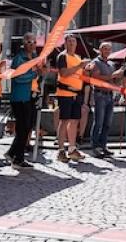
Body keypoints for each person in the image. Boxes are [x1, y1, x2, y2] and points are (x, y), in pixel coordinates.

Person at [7, 33, 41, 169]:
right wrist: (35, 74)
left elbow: (36, 78)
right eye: (28, 42)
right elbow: (17, 78)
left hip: (30, 96)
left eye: (33, 42)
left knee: (27, 127)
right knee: (23, 128)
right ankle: (18, 159)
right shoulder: (19, 58)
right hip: (20, 97)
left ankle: (12, 153)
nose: (31, 44)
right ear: (23, 43)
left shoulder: (33, 58)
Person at [55, 34, 88, 163]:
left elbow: (78, 74)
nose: (71, 44)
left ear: (76, 44)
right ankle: (61, 150)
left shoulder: (78, 57)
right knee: (64, 121)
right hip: (65, 93)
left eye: (73, 42)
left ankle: (72, 148)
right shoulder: (62, 56)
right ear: (65, 43)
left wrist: (85, 70)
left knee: (74, 121)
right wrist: (80, 66)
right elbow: (63, 73)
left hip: (77, 93)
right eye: (69, 41)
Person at [86, 42, 118, 157]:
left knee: (107, 123)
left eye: (109, 49)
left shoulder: (111, 63)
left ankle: (103, 145)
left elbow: (113, 80)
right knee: (98, 122)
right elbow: (96, 78)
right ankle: (95, 146)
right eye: (105, 49)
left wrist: (118, 79)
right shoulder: (95, 62)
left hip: (110, 94)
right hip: (100, 94)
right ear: (100, 50)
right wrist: (112, 76)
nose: (107, 51)